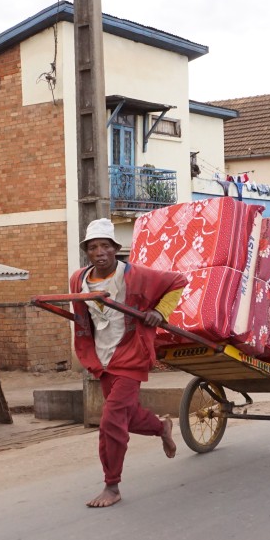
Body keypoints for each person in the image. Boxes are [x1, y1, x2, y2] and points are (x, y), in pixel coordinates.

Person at [69, 218, 186, 508]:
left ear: (115, 249)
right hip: (102, 357)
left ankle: (112, 485)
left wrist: (160, 312)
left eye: (105, 246)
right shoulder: (78, 279)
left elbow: (178, 282)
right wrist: (89, 356)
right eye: (93, 247)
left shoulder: (135, 275)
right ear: (87, 252)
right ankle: (161, 428)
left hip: (131, 354)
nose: (100, 252)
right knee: (126, 415)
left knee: (110, 421)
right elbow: (83, 319)